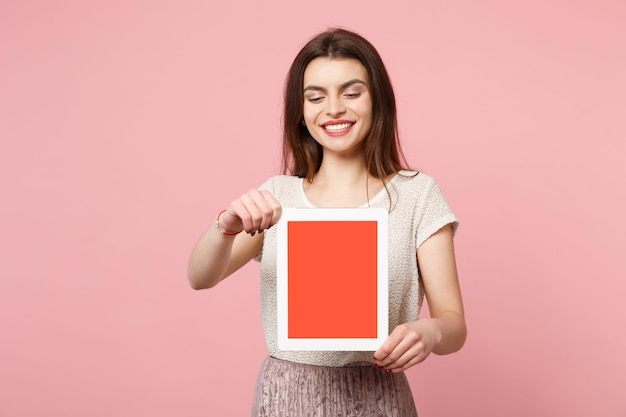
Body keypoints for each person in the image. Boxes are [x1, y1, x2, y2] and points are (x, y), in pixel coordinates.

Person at [188, 28, 466, 416]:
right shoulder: (277, 198)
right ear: (301, 112)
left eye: (352, 93)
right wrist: (226, 224)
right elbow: (200, 277)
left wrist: (430, 332)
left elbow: (453, 323)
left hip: (379, 395)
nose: (333, 108)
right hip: (287, 398)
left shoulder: (418, 195)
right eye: (316, 97)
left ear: (377, 100)